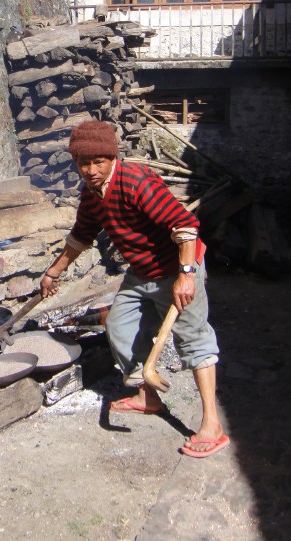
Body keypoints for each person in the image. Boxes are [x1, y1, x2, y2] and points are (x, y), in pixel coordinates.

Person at [40, 119, 229, 458]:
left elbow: (185, 226)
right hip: (142, 272)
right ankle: (149, 397)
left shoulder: (136, 182)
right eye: (84, 162)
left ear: (112, 158)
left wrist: (186, 274)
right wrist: (53, 272)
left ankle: (212, 424)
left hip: (178, 267)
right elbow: (81, 236)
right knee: (120, 326)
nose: (91, 169)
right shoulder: (92, 194)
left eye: (99, 161)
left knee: (193, 339)